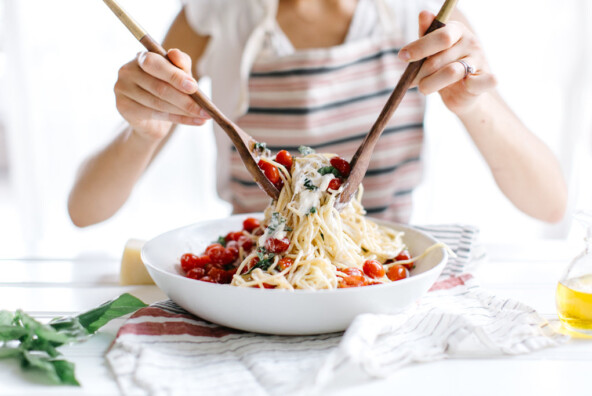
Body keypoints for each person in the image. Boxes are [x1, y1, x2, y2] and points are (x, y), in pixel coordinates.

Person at [68, 0, 567, 227]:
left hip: (383, 278)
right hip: (254, 277)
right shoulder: (213, 12)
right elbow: (85, 209)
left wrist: (473, 104)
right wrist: (144, 132)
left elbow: (550, 204)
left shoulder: (424, 15)